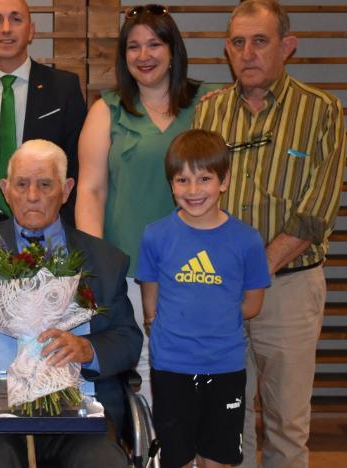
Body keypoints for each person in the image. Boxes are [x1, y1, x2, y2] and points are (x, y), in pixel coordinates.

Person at [192, 1, 347, 467]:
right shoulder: (211, 110)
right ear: (227, 51)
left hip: (290, 289)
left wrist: (255, 269)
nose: (248, 52)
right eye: (238, 43)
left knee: (286, 426)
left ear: (287, 47)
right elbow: (193, 197)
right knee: (223, 422)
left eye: (260, 41)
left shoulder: (321, 111)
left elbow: (316, 212)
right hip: (219, 291)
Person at [0, 139, 142, 467]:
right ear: (6, 188)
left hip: (81, 414)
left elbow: (128, 340)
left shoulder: (104, 260)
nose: (32, 196)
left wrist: (88, 350)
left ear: (67, 189)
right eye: (22, 184)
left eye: (45, 184)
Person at [75, 4, 220, 404]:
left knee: (194, 371)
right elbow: (90, 191)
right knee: (141, 372)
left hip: (198, 267)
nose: (144, 56)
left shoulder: (209, 104)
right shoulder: (106, 110)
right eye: (133, 47)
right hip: (130, 271)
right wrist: (96, 266)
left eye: (154, 44)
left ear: (173, 49)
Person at [136, 130, 271, 468]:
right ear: (171, 185)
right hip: (171, 368)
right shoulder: (155, 236)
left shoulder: (247, 240)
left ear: (223, 180)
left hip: (225, 367)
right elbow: (150, 302)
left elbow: (253, 304)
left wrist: (213, 314)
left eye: (204, 179)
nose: (193, 191)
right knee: (177, 456)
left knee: (218, 457)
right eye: (182, 180)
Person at [0, 0, 86, 228]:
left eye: (16, 19)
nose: (6, 28)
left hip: (47, 228)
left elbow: (78, 167)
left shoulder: (64, 88)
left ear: (31, 30)